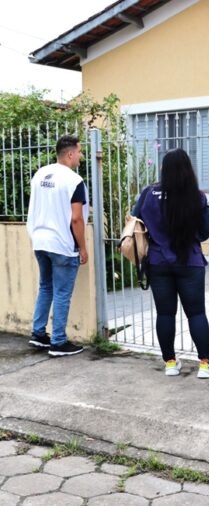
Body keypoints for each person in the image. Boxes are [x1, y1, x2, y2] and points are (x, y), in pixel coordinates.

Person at [133, 148, 209, 379]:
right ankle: (204, 365)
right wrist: (192, 239)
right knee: (196, 313)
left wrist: (156, 238)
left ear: (164, 169)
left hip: (158, 262)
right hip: (189, 262)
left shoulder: (148, 193)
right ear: (188, 170)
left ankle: (170, 363)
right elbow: (207, 230)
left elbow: (135, 220)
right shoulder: (196, 196)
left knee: (165, 314)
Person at [26, 134, 88, 356]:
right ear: (70, 154)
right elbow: (76, 219)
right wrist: (82, 247)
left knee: (46, 287)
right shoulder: (74, 180)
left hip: (40, 240)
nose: (81, 156)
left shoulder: (40, 174)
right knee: (62, 293)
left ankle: (39, 333)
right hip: (62, 244)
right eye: (80, 151)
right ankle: (59, 342)